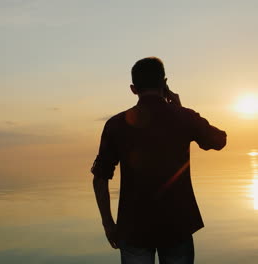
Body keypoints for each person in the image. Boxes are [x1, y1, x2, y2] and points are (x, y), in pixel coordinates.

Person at [91, 57, 227, 264]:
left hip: (133, 228)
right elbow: (219, 141)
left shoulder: (116, 125)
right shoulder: (184, 117)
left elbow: (100, 178)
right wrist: (182, 109)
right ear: (164, 83)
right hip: (177, 226)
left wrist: (108, 224)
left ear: (133, 88)